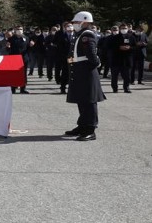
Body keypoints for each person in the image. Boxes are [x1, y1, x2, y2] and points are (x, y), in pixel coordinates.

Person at [65, 11, 105, 141]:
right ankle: (82, 126)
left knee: (89, 101)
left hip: (86, 71)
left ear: (85, 22)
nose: (74, 24)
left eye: (77, 22)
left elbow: (91, 54)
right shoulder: (79, 34)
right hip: (79, 70)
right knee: (82, 100)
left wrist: (97, 63)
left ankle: (90, 129)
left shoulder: (87, 35)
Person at [110, 23, 135, 93]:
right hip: (116, 59)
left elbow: (135, 47)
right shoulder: (114, 38)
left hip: (127, 60)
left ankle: (126, 88)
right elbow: (110, 47)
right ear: (120, 29)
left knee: (127, 76)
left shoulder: (131, 37)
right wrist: (119, 47)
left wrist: (129, 48)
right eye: (122, 28)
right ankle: (115, 88)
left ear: (127, 29)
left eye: (125, 28)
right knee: (114, 76)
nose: (124, 30)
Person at [7, 25, 30, 94]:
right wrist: (8, 47)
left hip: (24, 58)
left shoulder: (26, 38)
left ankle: (23, 88)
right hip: (14, 58)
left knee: (23, 74)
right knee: (14, 74)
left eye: (21, 29)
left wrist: (31, 46)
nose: (19, 30)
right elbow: (8, 49)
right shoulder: (11, 39)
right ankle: (13, 88)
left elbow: (28, 49)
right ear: (15, 30)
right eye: (18, 29)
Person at [54, 22, 74, 94]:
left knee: (72, 72)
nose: (70, 27)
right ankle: (63, 87)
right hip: (64, 56)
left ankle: (72, 88)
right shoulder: (62, 36)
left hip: (72, 57)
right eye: (68, 26)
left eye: (71, 26)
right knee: (65, 72)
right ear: (65, 28)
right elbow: (59, 46)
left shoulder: (75, 35)